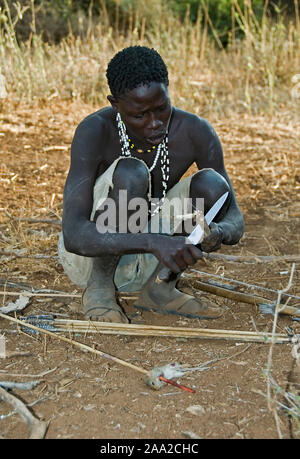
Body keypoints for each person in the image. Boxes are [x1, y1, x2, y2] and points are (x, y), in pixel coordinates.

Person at [58, 46, 244, 323]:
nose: (154, 123)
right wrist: (153, 241)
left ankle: (161, 286)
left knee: (213, 184)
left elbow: (235, 218)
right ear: (115, 104)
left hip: (154, 258)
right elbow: (74, 234)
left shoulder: (196, 132)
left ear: (168, 90)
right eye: (139, 115)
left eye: (161, 108)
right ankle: (99, 289)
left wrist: (218, 231)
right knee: (131, 172)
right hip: (90, 258)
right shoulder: (95, 130)